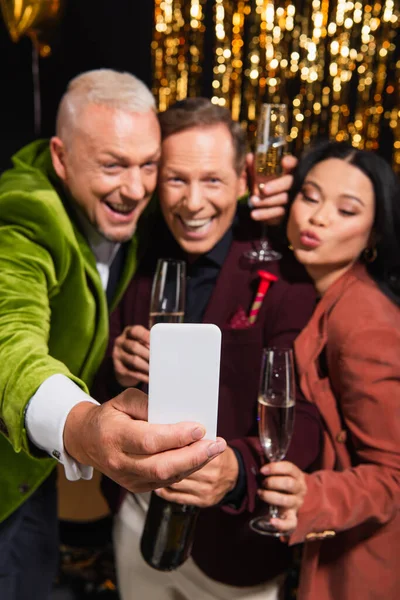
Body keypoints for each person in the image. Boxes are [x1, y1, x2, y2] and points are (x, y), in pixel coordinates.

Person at [0, 70, 229, 600]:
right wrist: (82, 428)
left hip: (38, 478)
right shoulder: (24, 212)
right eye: (113, 165)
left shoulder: (133, 208)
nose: (135, 188)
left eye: (150, 165)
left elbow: (198, 200)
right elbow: (10, 337)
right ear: (60, 158)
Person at [96, 98, 323, 600]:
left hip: (233, 547)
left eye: (213, 181)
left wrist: (238, 471)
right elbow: (92, 378)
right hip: (137, 518)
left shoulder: (285, 273)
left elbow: (308, 420)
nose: (193, 202)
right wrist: (113, 365)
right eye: (177, 180)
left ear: (245, 180)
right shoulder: (142, 257)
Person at [256, 140, 400, 599]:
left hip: (364, 566)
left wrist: (312, 496)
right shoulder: (315, 290)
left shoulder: (363, 324)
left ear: (374, 235)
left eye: (347, 210)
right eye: (310, 197)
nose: (317, 218)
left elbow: (393, 473)